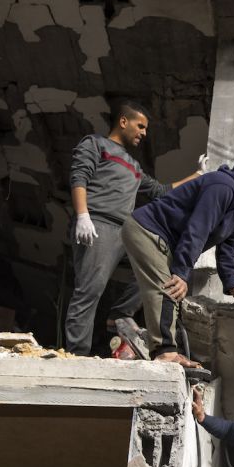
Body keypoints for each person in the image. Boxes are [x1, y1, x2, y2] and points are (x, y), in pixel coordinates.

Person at [64, 101, 202, 355]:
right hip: (98, 225)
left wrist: (198, 175)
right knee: (89, 292)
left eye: (146, 128)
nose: (144, 133)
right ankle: (77, 355)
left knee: (158, 268)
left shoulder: (134, 166)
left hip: (127, 230)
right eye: (140, 126)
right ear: (123, 122)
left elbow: (161, 191)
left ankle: (120, 313)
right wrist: (83, 215)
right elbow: (79, 177)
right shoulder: (95, 144)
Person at [121, 152, 234, 366]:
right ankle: (165, 353)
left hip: (164, 240)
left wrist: (233, 285)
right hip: (147, 230)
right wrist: (181, 272)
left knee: (173, 297)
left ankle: (166, 350)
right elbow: (197, 229)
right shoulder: (223, 186)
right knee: (169, 289)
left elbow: (229, 246)